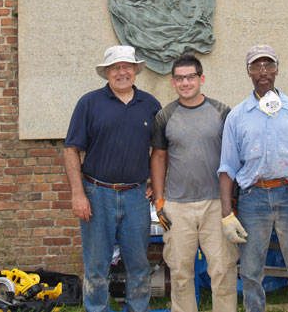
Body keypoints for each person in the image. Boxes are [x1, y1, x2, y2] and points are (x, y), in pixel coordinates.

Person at [218, 45, 288, 312]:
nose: (262, 72)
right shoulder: (237, 116)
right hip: (254, 200)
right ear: (248, 72)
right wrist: (227, 215)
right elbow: (227, 168)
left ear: (277, 69)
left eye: (268, 66)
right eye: (256, 66)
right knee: (251, 273)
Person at [64, 45, 161, 312]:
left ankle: (138, 309)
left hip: (136, 196)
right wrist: (78, 194)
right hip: (97, 194)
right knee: (96, 265)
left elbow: (160, 151)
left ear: (135, 70)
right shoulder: (89, 103)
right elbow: (71, 149)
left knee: (139, 264)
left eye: (126, 67)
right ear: (107, 72)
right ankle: (97, 309)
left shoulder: (151, 105)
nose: (121, 72)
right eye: (115, 68)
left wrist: (155, 183)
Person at [150, 54, 239, 312]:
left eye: (190, 77)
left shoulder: (222, 112)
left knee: (223, 269)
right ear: (173, 82)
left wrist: (232, 200)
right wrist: (159, 199)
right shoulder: (165, 116)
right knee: (179, 273)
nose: (185, 82)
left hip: (217, 205)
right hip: (178, 206)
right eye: (179, 78)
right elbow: (158, 156)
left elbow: (232, 157)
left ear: (201, 79)